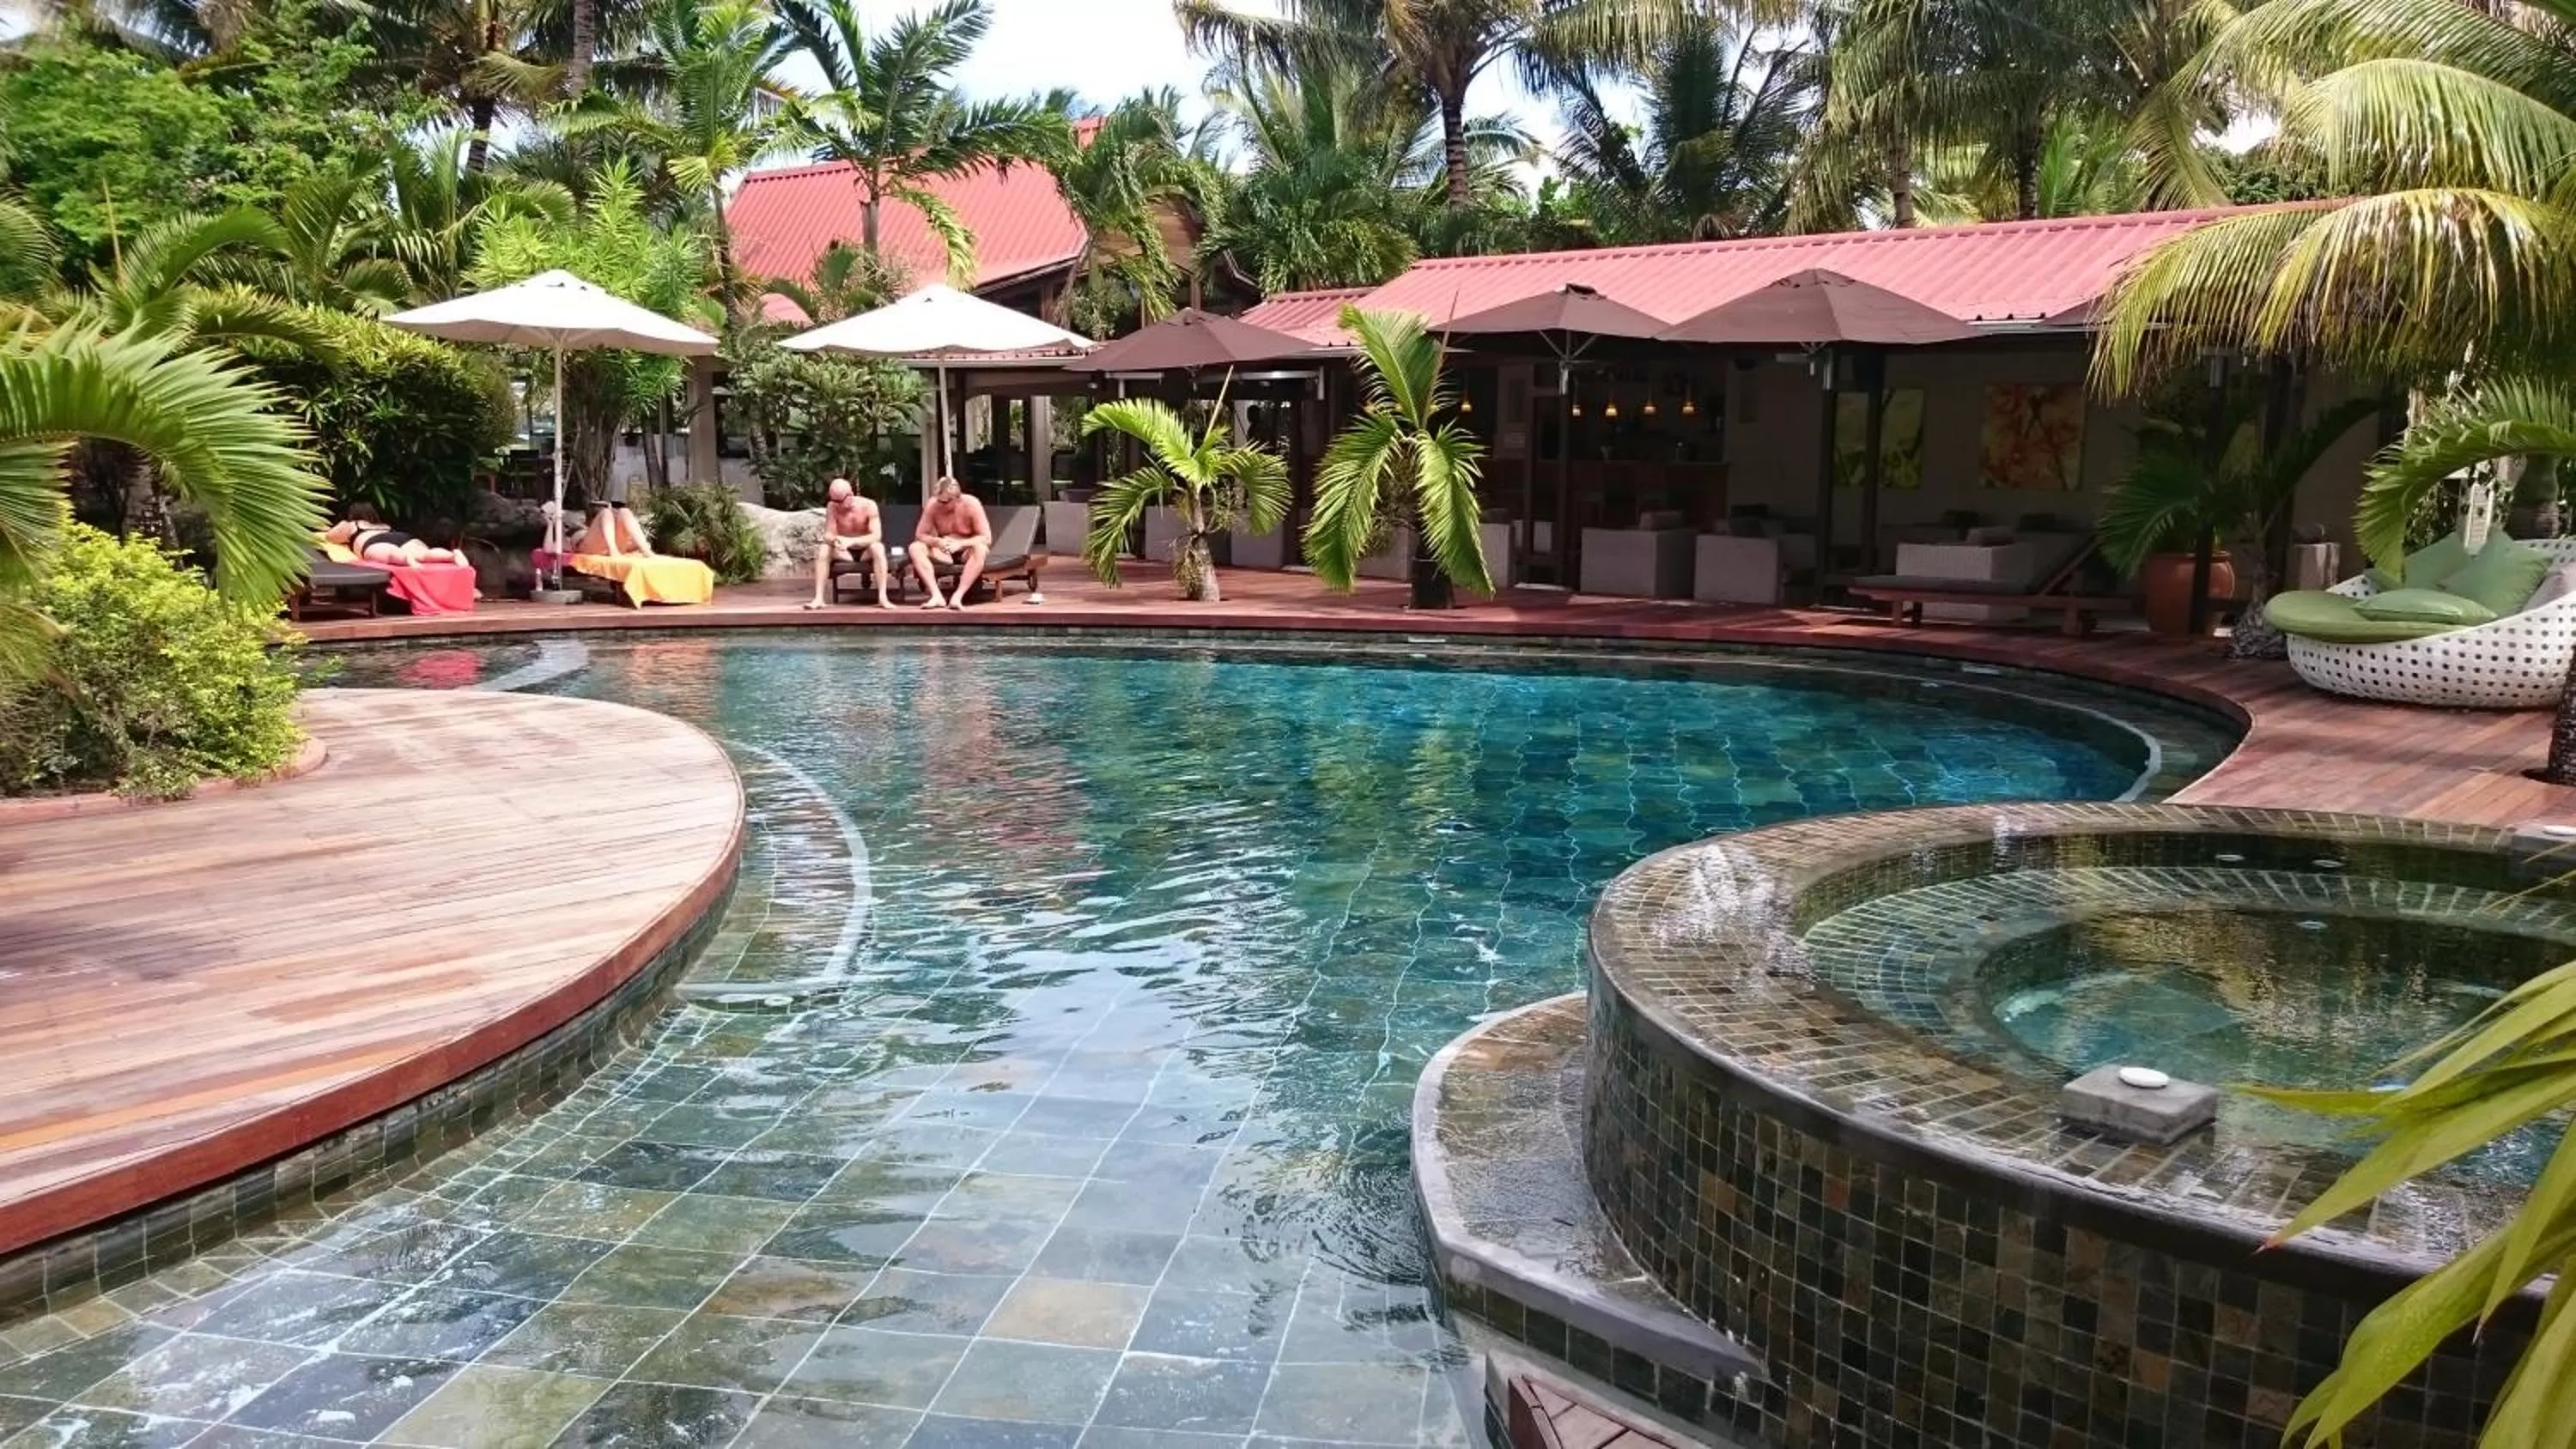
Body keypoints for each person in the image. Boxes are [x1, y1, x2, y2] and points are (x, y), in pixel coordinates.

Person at [805, 477, 893, 610]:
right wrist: (835, 540)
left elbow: (876, 536)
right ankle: (818, 598)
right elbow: (828, 534)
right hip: (844, 551)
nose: (838, 505)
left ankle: (882, 597)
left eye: (841, 501)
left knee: (878, 548)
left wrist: (852, 541)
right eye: (835, 501)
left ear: (850, 494)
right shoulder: (832, 507)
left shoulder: (868, 506)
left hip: (864, 550)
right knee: (823, 549)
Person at [909, 476, 992, 610]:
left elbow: (986, 538)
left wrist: (961, 544)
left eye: (946, 502)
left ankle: (957, 596)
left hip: (967, 550)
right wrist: (937, 542)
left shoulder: (971, 504)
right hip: (945, 550)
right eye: (939, 501)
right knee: (915, 548)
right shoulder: (933, 505)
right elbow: (920, 534)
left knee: (981, 549)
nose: (941, 505)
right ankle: (936, 596)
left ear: (957, 499)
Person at [325, 505, 471, 568]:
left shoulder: (353, 525)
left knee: (390, 554)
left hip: (372, 542)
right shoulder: (383, 525)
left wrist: (344, 523)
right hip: (401, 536)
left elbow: (330, 537)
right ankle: (452, 555)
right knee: (425, 554)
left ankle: (406, 560)